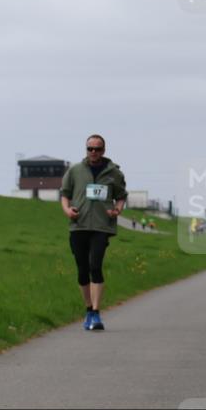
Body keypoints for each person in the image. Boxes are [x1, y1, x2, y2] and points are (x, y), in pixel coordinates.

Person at [60, 134, 128, 331]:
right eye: (90, 148)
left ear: (103, 150)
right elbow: (64, 194)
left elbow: (121, 196)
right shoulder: (75, 170)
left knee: (95, 266)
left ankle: (97, 313)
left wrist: (117, 210)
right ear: (86, 149)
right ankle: (89, 309)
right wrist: (67, 210)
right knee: (82, 270)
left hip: (101, 226)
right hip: (79, 225)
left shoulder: (114, 173)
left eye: (97, 149)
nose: (93, 152)